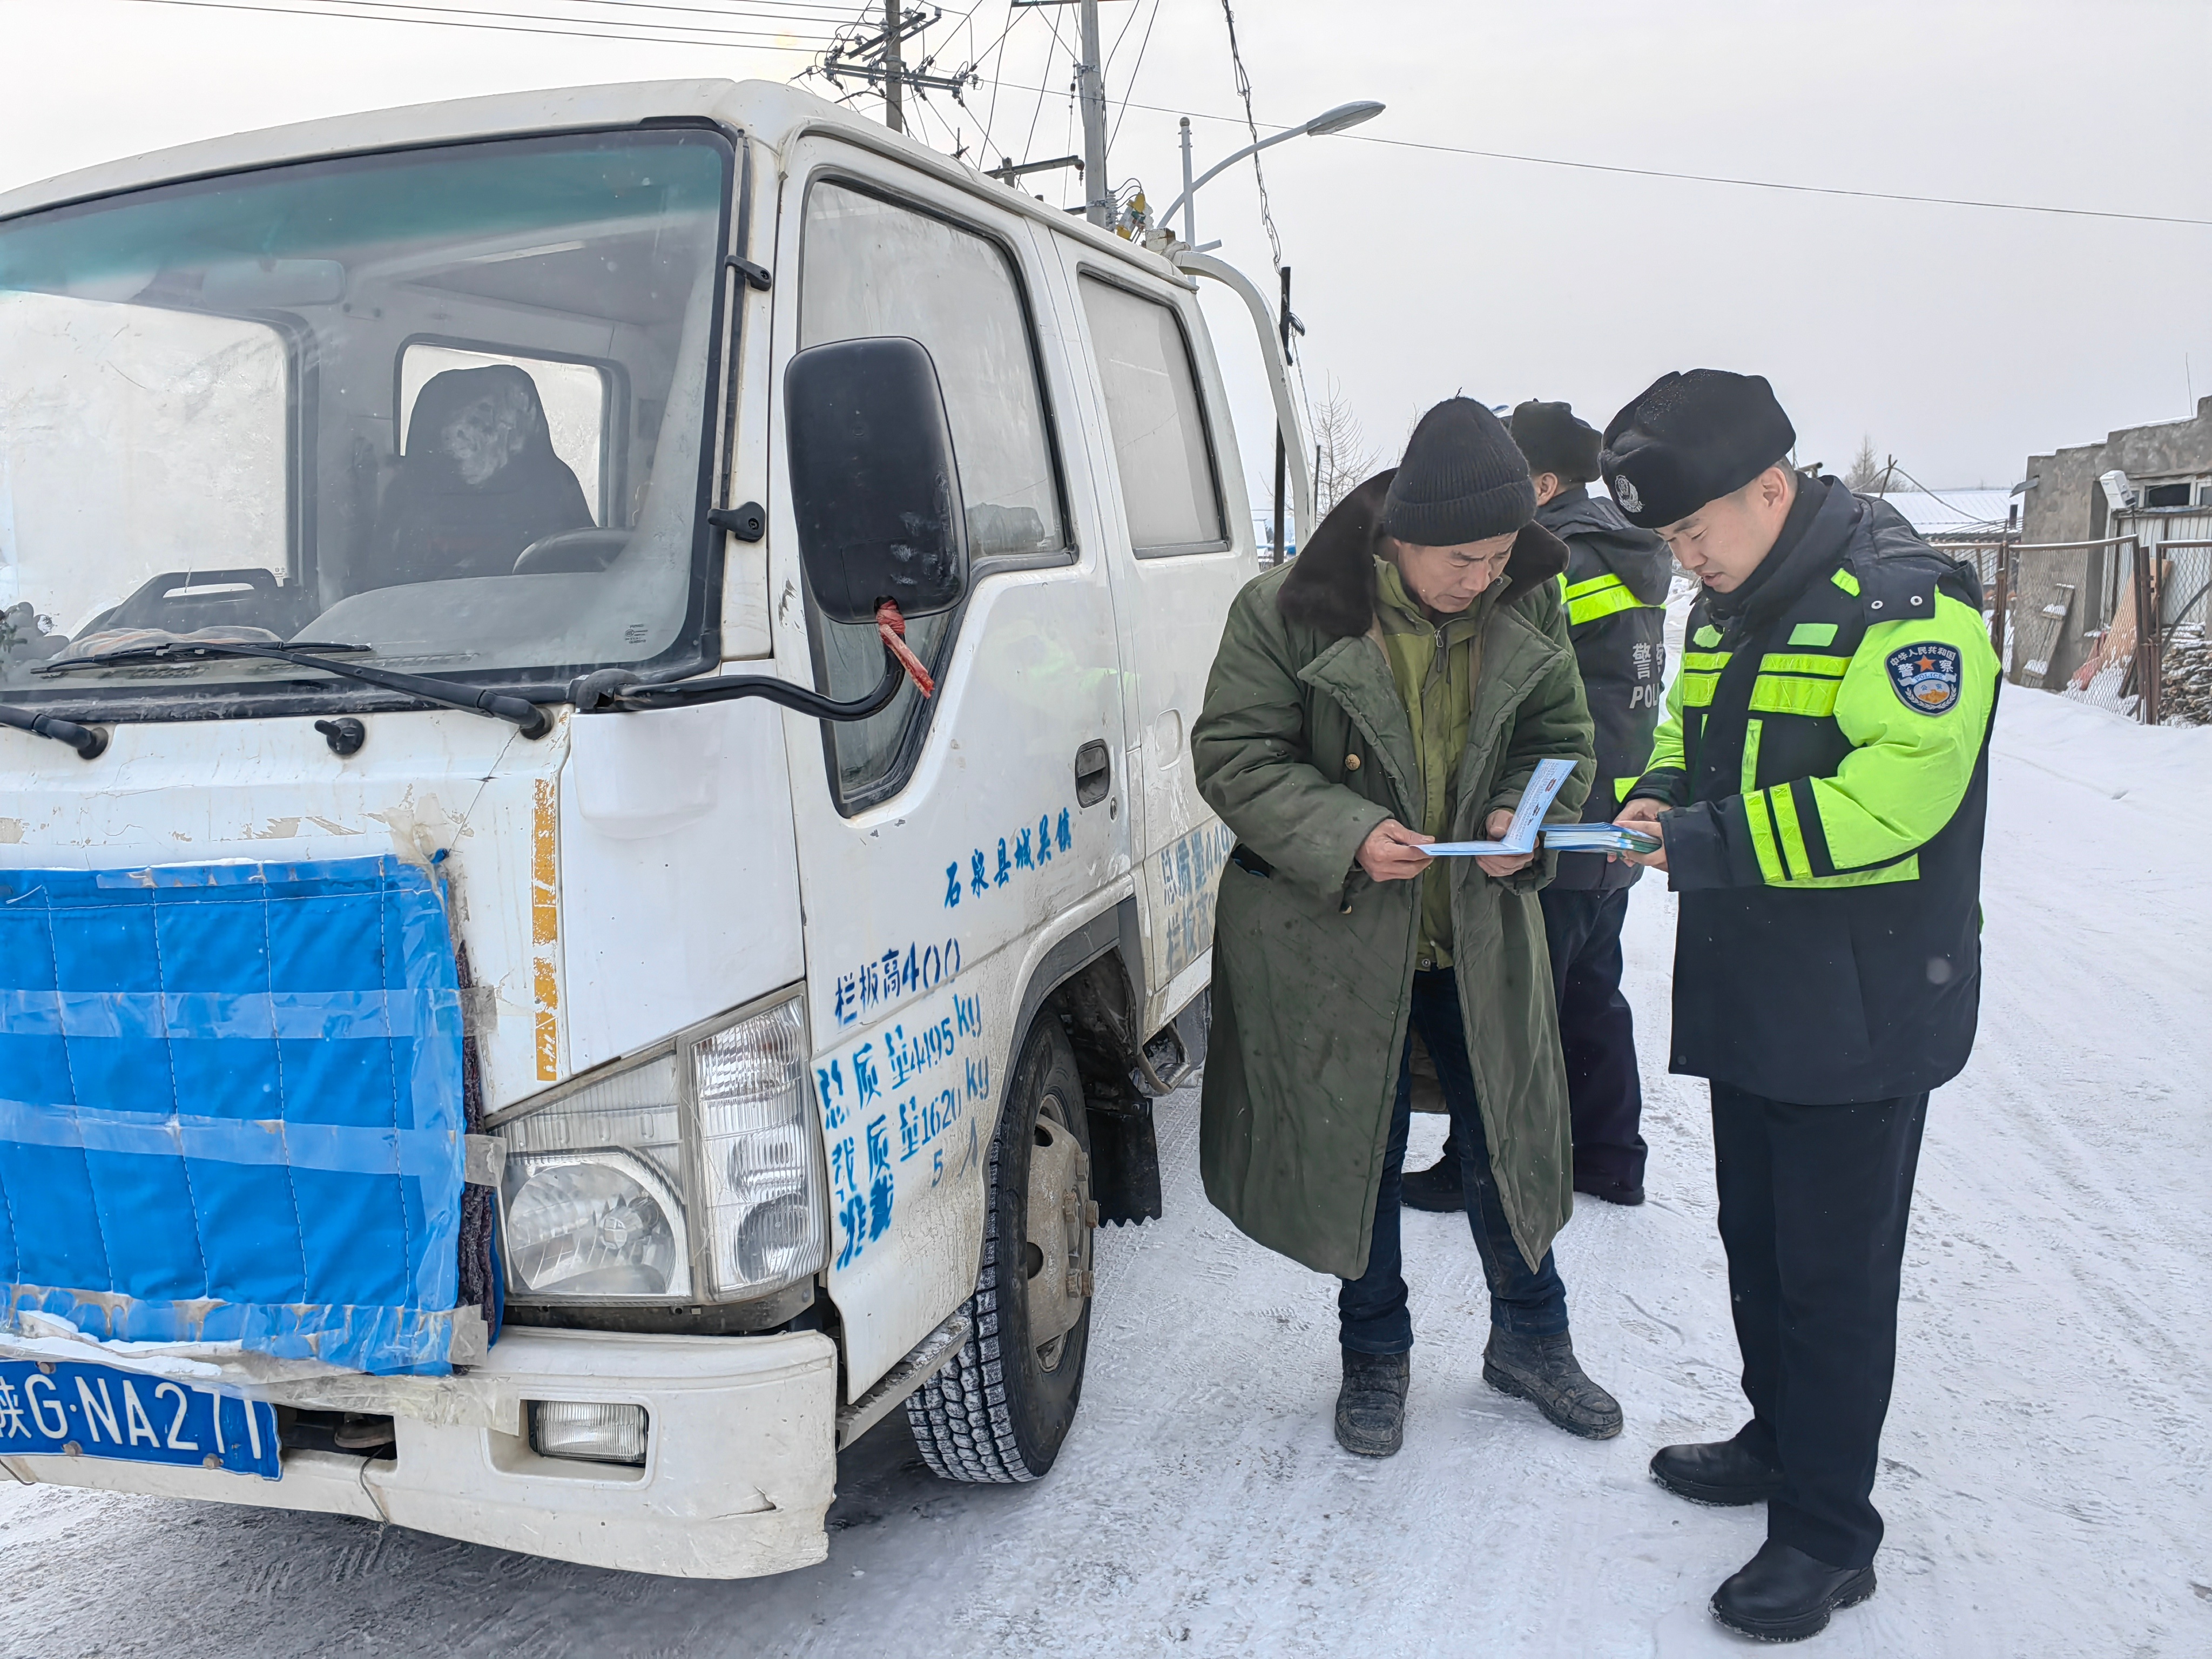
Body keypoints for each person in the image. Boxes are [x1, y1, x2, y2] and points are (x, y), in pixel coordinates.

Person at [1601, 370, 1999, 1642]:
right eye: (1665, 540)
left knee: (1832, 1278)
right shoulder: (1730, 601)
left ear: (1767, 489)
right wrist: (1656, 795)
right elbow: (1688, 728)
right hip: (1756, 986)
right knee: (1758, 1244)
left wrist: (1703, 842)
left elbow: (1894, 808)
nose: (1682, 560)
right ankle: (1778, 1444)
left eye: (1690, 531)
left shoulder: (1905, 606)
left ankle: (1829, 1537)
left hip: (1862, 1000)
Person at [1192, 397, 1621, 1459]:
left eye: (1501, 556)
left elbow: (1563, 739)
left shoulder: (1528, 603)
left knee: (1504, 1140)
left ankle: (1533, 1339)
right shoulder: (1286, 610)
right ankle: (1372, 1354)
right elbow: (1234, 756)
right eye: (1466, 559)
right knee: (1359, 1150)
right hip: (1340, 937)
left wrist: (1525, 821)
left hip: (1474, 931)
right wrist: (1346, 830)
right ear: (1402, 538)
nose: (1484, 577)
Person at [1401, 400, 1671, 1213]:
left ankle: (1487, 1165)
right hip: (1611, 807)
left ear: (1544, 480)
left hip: (1550, 809)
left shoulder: (1559, 565)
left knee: (1512, 1009)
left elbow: (1540, 700)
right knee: (1591, 993)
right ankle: (1611, 1157)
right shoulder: (1633, 553)